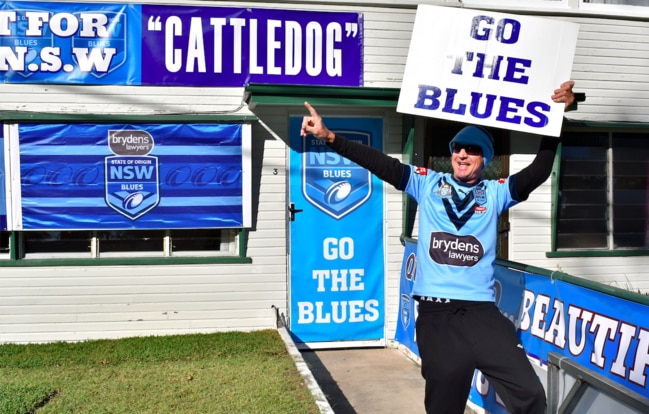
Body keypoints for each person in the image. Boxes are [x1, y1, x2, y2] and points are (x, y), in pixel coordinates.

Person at [300, 81, 576, 414]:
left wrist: (556, 118)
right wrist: (330, 138)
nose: (462, 153)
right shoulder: (427, 181)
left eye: (472, 150)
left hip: (481, 313)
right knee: (444, 407)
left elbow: (538, 170)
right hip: (437, 314)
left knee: (531, 395)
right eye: (458, 147)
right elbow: (379, 163)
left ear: (484, 159)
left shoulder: (496, 191)